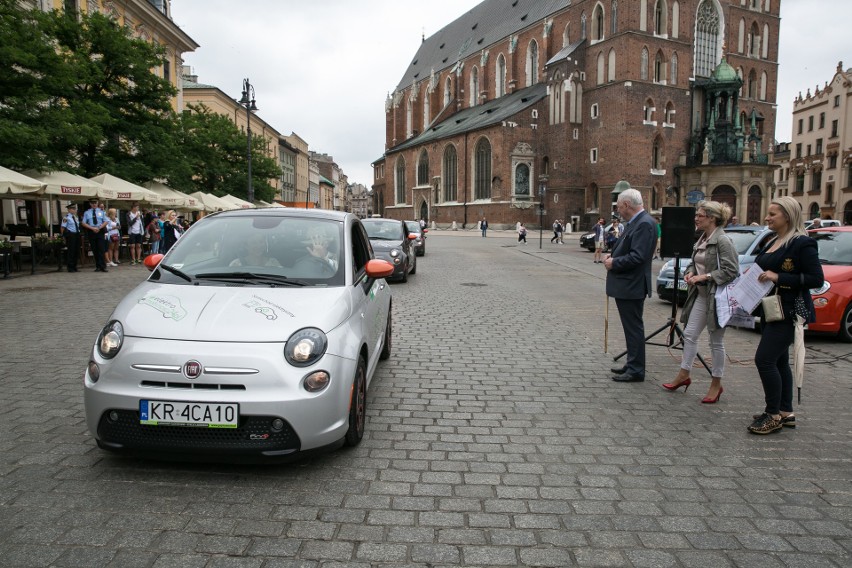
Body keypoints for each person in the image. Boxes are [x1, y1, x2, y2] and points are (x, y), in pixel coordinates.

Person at [749, 197, 823, 435]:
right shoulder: (773, 239)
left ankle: (772, 415)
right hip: (772, 308)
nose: (767, 217)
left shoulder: (802, 243)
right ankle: (785, 412)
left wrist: (779, 277)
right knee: (779, 360)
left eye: (773, 214)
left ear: (788, 217)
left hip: (789, 310)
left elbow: (816, 279)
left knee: (765, 360)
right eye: (768, 213)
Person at [662, 201, 739, 403]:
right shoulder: (703, 238)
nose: (696, 218)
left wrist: (703, 278)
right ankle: (684, 374)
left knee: (716, 342)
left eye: (700, 215)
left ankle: (716, 383)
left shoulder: (723, 240)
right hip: (701, 296)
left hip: (717, 299)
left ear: (712, 218)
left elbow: (732, 271)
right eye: (696, 215)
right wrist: (689, 273)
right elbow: (695, 264)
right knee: (689, 334)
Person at [605, 187, 657, 382]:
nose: (618, 211)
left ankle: (636, 369)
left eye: (619, 207)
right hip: (628, 285)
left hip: (632, 285)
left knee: (634, 328)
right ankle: (632, 362)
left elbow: (638, 256)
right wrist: (614, 255)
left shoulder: (644, 224)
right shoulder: (636, 223)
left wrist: (614, 262)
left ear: (627, 205)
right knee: (631, 328)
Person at [81, 199, 108, 272]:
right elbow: (83, 223)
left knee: (101, 249)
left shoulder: (101, 212)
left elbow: (106, 221)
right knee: (95, 249)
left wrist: (99, 227)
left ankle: (103, 266)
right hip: (91, 231)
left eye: (95, 203)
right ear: (90, 204)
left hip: (100, 231)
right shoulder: (87, 213)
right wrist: (92, 228)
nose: (94, 204)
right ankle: (98, 266)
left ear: (97, 203)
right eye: (92, 203)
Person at [60, 203, 80, 272]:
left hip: (77, 234)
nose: (74, 210)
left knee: (76, 251)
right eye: (73, 209)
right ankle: (70, 267)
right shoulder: (66, 218)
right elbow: (62, 228)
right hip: (71, 235)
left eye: (75, 209)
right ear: (69, 210)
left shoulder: (75, 217)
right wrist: (63, 237)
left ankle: (75, 266)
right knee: (71, 251)